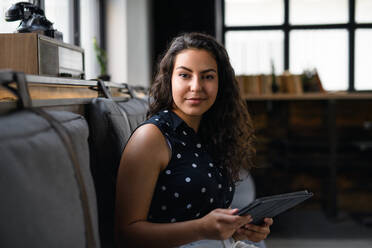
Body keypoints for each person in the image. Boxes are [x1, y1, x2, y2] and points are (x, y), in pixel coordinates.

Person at [115, 32, 273, 248]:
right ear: (169, 79)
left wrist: (240, 231)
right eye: (184, 75)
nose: (196, 86)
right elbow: (126, 233)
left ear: (220, 83)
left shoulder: (211, 133)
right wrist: (201, 228)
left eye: (208, 76)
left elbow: (203, 219)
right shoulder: (151, 138)